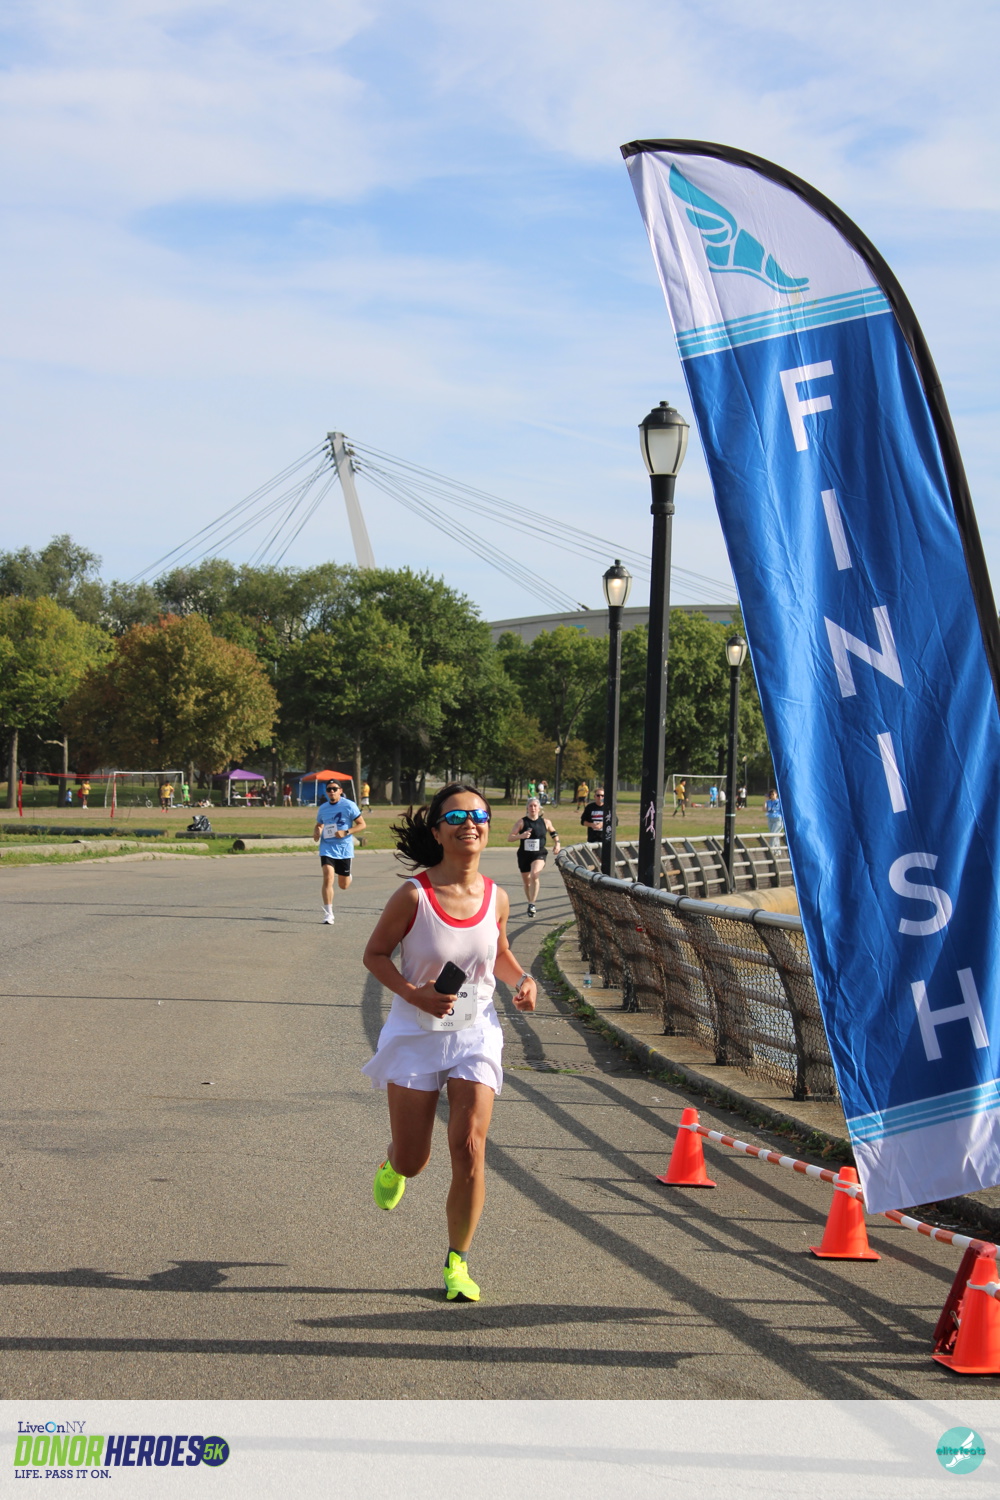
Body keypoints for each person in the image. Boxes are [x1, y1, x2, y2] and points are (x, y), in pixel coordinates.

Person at [361, 783, 537, 1303]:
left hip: (474, 1032)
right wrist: (413, 993)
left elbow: (498, 953)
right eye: (456, 817)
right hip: (416, 1033)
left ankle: (457, 1261)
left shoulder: (497, 896)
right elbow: (375, 955)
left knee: (469, 1146)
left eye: (479, 816)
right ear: (437, 831)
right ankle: (394, 1163)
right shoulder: (414, 896)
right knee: (415, 1159)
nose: (470, 824)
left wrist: (522, 980)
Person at [313, 780, 365, 924]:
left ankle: (348, 876)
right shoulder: (323, 808)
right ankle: (328, 914)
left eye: (334, 789)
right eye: (329, 789)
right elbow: (319, 824)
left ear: (340, 791)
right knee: (328, 876)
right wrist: (317, 831)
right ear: (326, 792)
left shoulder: (349, 805)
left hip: (344, 848)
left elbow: (362, 824)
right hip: (327, 847)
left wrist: (346, 832)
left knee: (343, 885)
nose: (332, 791)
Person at [508, 796, 560, 917]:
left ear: (539, 808)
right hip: (524, 855)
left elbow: (553, 833)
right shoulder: (521, 822)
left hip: (539, 853)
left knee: (535, 874)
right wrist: (521, 836)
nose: (533, 808)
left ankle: (532, 903)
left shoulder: (546, 822)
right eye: (530, 806)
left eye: (535, 806)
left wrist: (557, 843)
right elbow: (510, 838)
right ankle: (530, 902)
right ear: (527, 808)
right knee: (527, 883)